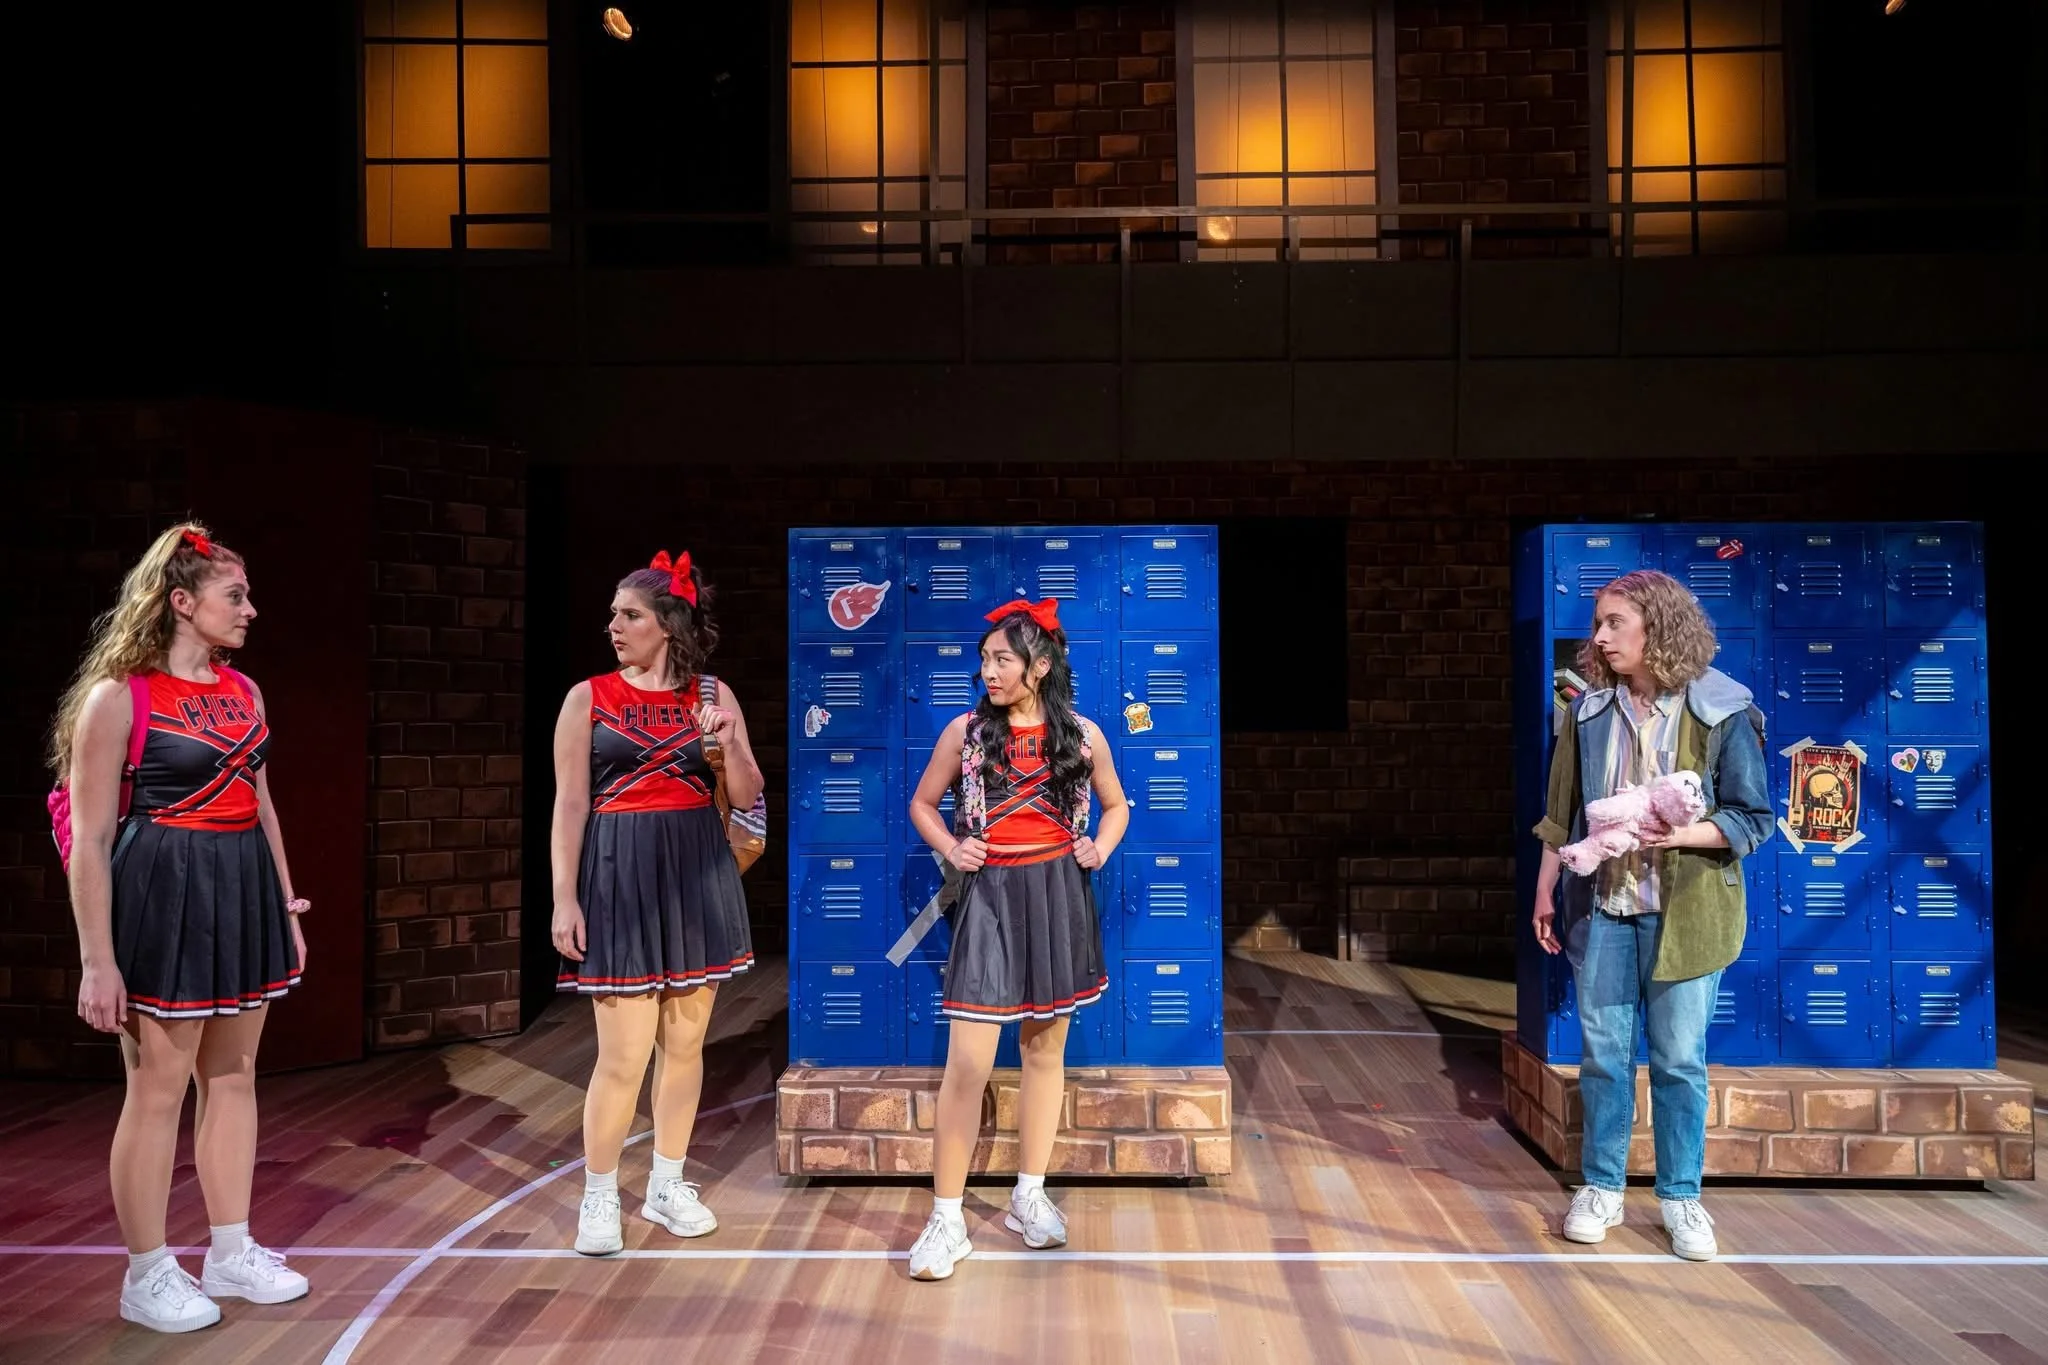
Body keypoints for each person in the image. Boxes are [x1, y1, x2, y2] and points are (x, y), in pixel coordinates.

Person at [54, 523, 310, 1332]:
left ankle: (229, 1251)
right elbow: (90, 838)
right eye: (235, 595)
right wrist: (98, 960)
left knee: (234, 1073)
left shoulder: (245, 690)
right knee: (158, 1089)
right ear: (182, 602)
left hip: (241, 886)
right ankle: (147, 1272)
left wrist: (285, 902)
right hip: (163, 892)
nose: (250, 608)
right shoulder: (118, 697)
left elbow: (261, 804)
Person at [1531, 569, 1772, 1262]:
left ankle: (1680, 1197)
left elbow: (1753, 818)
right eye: (1598, 624)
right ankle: (1601, 1186)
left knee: (1678, 1061)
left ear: (1657, 627)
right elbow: (1560, 814)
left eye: (1615, 623)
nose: (1600, 637)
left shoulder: (1721, 709)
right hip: (1605, 908)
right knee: (1604, 1058)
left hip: (1686, 915)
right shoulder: (1587, 713)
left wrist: (1681, 835)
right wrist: (1545, 891)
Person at [902, 598, 1130, 1281]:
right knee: (968, 1062)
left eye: (1002, 659)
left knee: (1043, 1051)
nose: (988, 671)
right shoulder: (966, 733)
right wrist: (953, 847)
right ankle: (946, 1217)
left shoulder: (1083, 734)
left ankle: (1029, 1194)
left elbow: (1116, 805)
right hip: (991, 898)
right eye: (985, 659)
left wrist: (1099, 848)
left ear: (1041, 664)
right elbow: (922, 803)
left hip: (1058, 895)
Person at [550, 549, 760, 1255]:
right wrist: (564, 898)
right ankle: (600, 1192)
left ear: (667, 624)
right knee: (623, 1054)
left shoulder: (712, 694)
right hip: (619, 875)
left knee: (685, 1044)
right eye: (613, 614)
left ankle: (667, 1183)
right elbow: (570, 805)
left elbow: (748, 794)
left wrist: (727, 744)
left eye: (629, 614)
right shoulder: (588, 697)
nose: (613, 625)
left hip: (696, 873)